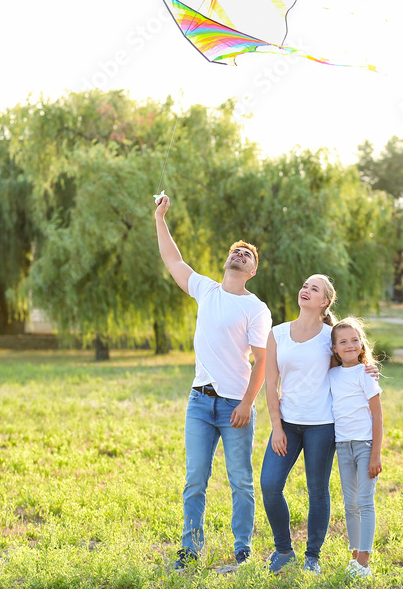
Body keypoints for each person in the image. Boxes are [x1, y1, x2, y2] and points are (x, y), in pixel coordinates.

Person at [154, 193, 272, 571]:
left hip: (236, 406)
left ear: (252, 271)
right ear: (226, 261)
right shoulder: (205, 289)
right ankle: (190, 550)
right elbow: (174, 259)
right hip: (200, 404)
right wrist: (160, 219)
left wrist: (246, 404)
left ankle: (243, 549)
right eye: (236, 252)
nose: (240, 255)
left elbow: (262, 362)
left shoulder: (255, 308)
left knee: (240, 481)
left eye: (247, 255)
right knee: (195, 481)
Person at [260, 274, 339, 575]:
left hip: (322, 425)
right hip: (288, 425)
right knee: (269, 485)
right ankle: (283, 550)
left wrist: (367, 369)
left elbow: (351, 361)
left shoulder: (330, 336)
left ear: (324, 302)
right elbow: (270, 384)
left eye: (314, 288)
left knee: (317, 490)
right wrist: (277, 427)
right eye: (304, 285)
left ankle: (312, 557)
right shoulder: (277, 334)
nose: (305, 290)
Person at [329, 316, 384, 579]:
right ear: (335, 349)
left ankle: (364, 561)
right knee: (349, 502)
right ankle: (354, 555)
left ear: (362, 345)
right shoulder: (331, 375)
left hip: (364, 446)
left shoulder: (366, 375)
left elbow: (378, 416)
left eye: (354, 340)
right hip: (342, 446)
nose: (349, 345)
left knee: (364, 500)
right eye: (343, 342)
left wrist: (376, 454)